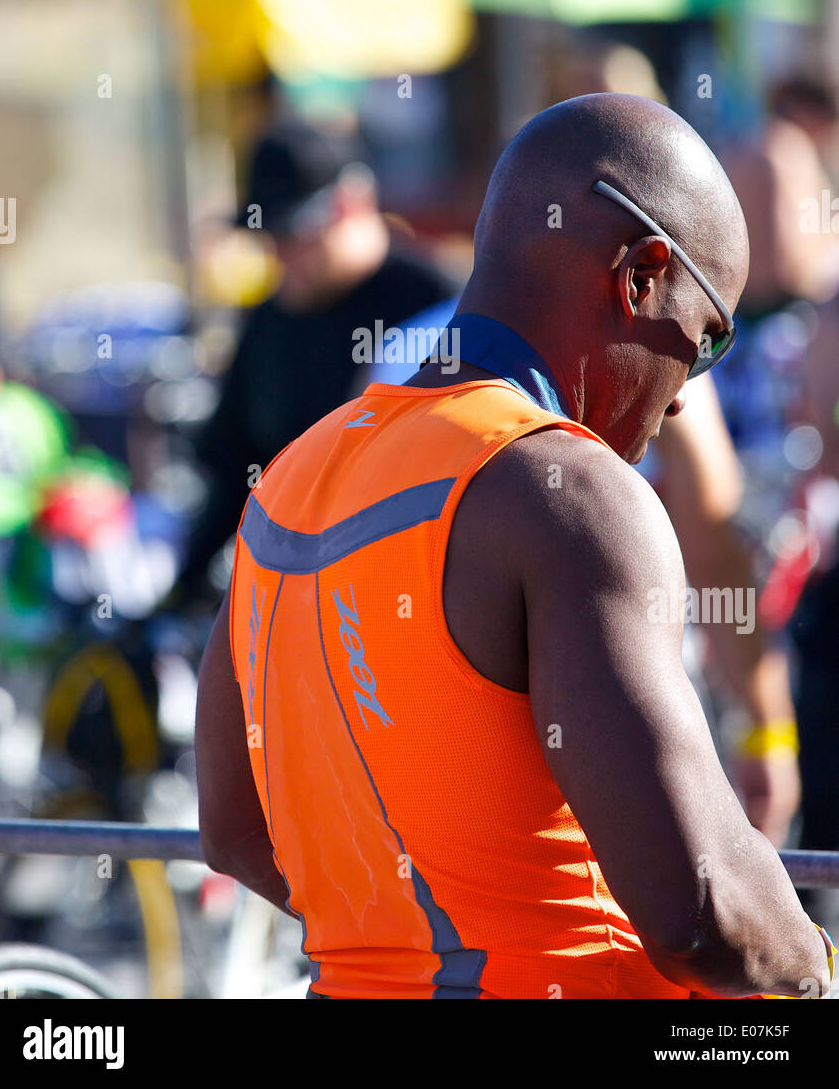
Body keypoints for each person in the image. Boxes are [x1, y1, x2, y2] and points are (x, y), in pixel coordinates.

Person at [196, 94, 834, 999]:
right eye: (704, 341)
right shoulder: (569, 494)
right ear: (643, 274)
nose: (687, 393)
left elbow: (234, 831)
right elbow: (707, 916)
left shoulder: (291, 480)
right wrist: (817, 966)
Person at [175, 116, 457, 605]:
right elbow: (234, 471)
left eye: (292, 231)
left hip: (416, 598)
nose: (279, 255)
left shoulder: (441, 306)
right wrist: (181, 592)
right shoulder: (270, 320)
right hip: (300, 601)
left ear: (351, 203)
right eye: (268, 237)